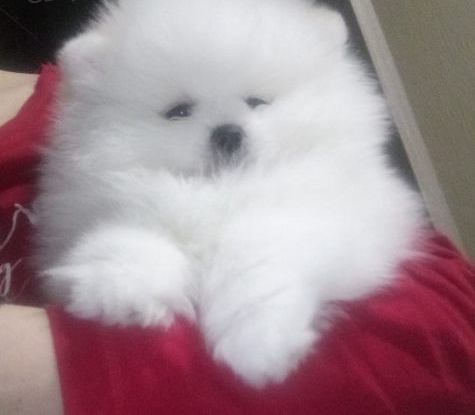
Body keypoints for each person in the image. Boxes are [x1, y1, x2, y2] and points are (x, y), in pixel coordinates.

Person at [1, 67, 475, 415]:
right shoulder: (97, 133)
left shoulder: (96, 83)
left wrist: (257, 270)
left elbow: (445, 331)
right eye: (180, 111)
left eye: (256, 101)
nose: (228, 126)